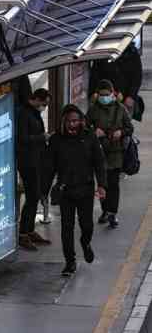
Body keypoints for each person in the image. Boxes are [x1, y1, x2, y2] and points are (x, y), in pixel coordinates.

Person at [45, 104, 107, 276]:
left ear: (81, 121)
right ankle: (70, 261)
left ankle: (85, 243)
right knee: (67, 227)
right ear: (63, 122)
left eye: (76, 121)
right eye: (69, 121)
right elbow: (49, 167)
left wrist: (102, 185)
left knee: (86, 225)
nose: (73, 125)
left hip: (86, 189)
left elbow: (99, 163)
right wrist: (45, 190)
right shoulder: (56, 140)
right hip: (66, 190)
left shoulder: (89, 137)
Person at [86, 79, 134, 228]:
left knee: (113, 184)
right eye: (101, 95)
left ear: (113, 93)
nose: (104, 97)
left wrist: (121, 132)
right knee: (102, 183)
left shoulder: (120, 109)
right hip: (99, 153)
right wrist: (95, 132)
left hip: (116, 153)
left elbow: (130, 128)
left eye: (106, 94)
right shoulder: (93, 109)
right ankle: (104, 210)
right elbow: (85, 126)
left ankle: (112, 212)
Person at [17, 88, 53, 250]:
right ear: (37, 99)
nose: (44, 107)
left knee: (35, 196)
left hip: (35, 159)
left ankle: (29, 230)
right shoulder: (24, 113)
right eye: (44, 104)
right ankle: (23, 233)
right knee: (32, 197)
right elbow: (22, 138)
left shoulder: (33, 112)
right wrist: (42, 137)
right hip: (27, 161)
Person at [89, 42, 143, 116]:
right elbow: (95, 76)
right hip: (105, 97)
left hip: (125, 97)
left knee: (123, 122)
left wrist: (131, 96)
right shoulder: (103, 52)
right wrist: (93, 94)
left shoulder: (132, 52)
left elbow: (137, 77)